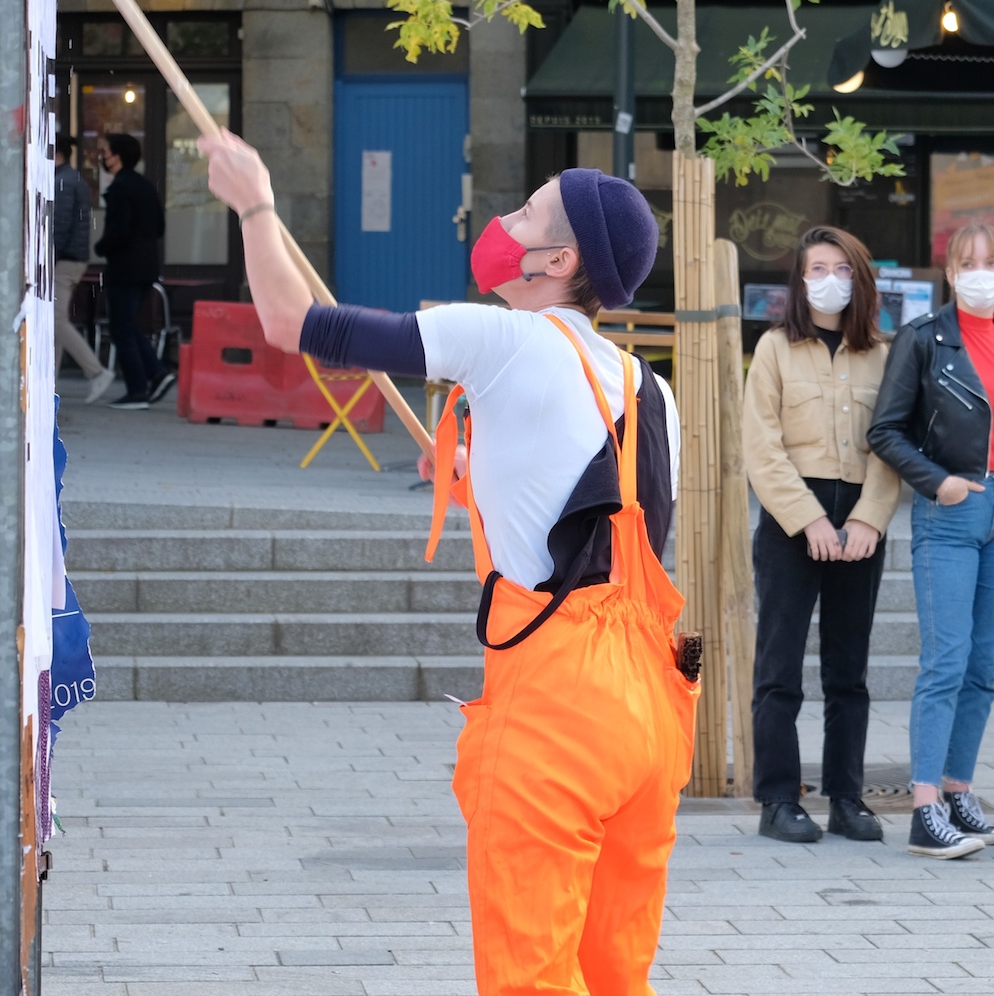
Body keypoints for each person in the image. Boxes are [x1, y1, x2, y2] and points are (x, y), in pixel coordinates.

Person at [199, 128, 689, 996]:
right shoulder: (650, 389)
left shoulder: (504, 342)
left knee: (531, 978)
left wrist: (256, 204)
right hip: (650, 710)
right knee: (616, 973)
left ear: (560, 259)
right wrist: (473, 466)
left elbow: (290, 324)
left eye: (527, 211)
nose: (506, 220)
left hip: (559, 708)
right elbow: (598, 525)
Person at [867, 221, 994, 859]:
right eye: (969, 263)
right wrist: (938, 482)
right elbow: (885, 430)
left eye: (993, 262)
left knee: (982, 666)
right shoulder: (923, 338)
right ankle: (924, 809)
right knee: (946, 662)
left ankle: (958, 793)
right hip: (951, 510)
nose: (982, 273)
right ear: (950, 274)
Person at [743, 227, 900, 845]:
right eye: (817, 269)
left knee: (848, 670)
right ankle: (778, 799)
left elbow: (891, 442)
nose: (829, 279)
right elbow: (762, 445)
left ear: (860, 279)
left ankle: (847, 797)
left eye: (842, 269)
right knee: (779, 667)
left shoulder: (883, 354)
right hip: (791, 520)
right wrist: (807, 518)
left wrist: (868, 518)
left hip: (860, 518)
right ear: (799, 279)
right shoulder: (774, 348)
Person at [94, 133, 170, 409]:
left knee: (121, 329)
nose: (103, 157)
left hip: (124, 268)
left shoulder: (120, 188)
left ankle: (138, 389)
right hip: (146, 267)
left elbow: (119, 230)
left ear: (117, 157)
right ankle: (157, 374)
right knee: (129, 325)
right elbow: (159, 227)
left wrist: (101, 247)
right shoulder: (145, 185)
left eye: (106, 152)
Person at [53, 136, 114, 404]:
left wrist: (49, 257)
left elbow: (58, 226)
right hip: (69, 259)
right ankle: (50, 382)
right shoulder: (69, 179)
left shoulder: (63, 181)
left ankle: (96, 371)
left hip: (63, 260)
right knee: (55, 322)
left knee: (55, 321)